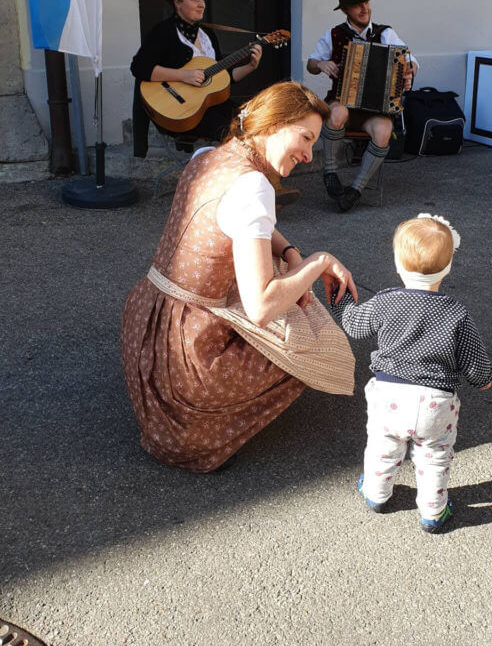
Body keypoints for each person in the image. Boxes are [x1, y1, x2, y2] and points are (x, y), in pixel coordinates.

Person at [122, 81, 357, 473]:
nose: (308, 154)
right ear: (275, 123)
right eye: (305, 137)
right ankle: (207, 427)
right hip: (189, 360)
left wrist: (289, 252)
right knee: (311, 344)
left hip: (148, 324)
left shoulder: (210, 156)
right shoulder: (254, 186)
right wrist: (317, 262)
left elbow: (247, 221)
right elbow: (261, 306)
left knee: (282, 276)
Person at [329, 213, 492, 532]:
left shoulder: (386, 302)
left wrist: (340, 297)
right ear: (448, 268)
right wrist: (483, 379)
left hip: (388, 397)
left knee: (382, 447)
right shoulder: (456, 313)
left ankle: (376, 494)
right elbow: (475, 361)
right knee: (434, 458)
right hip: (436, 403)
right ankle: (433, 513)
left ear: (397, 264)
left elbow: (353, 323)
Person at [130, 0, 299, 204]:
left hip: (212, 104)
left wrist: (249, 66)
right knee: (231, 134)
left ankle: (267, 186)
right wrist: (183, 75)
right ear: (178, 3)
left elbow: (222, 78)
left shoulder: (207, 35)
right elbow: (139, 67)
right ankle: (255, 190)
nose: (202, 4)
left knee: (255, 122)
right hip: (182, 110)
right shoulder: (164, 32)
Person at [307, 0, 419, 212]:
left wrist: (410, 72)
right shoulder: (334, 35)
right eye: (357, 5)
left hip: (373, 110)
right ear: (346, 10)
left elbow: (409, 59)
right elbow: (311, 64)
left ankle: (355, 190)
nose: (364, 8)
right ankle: (330, 174)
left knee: (384, 130)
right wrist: (322, 63)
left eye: (366, 2)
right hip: (342, 103)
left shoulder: (385, 33)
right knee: (336, 112)